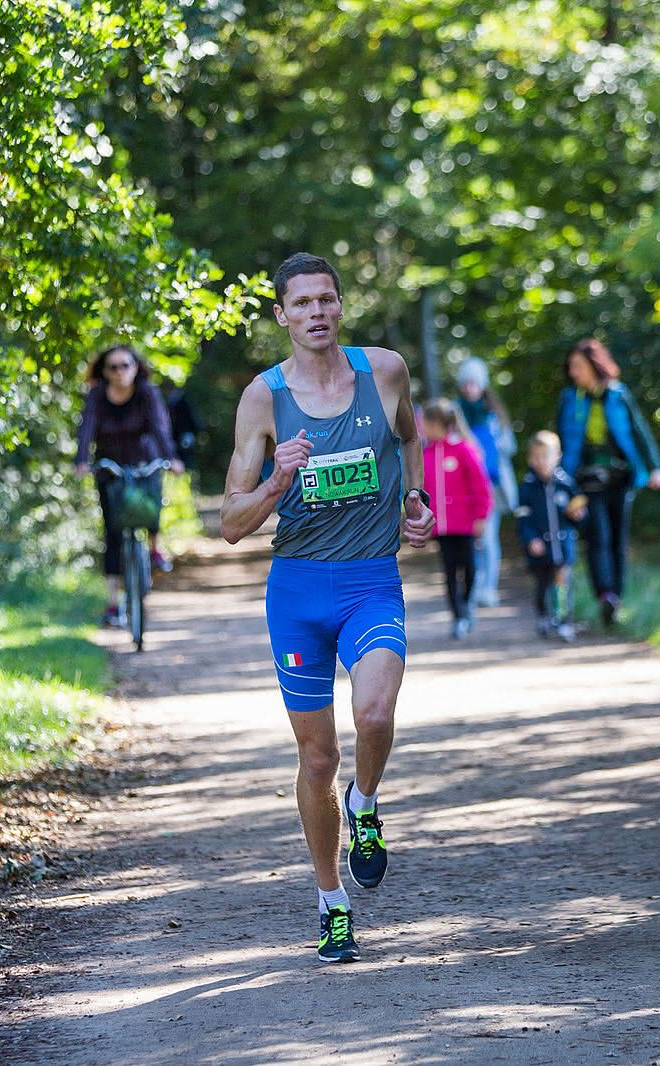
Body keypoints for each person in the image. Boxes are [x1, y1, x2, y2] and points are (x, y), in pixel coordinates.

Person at [220, 252, 434, 964]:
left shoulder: (386, 372)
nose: (316, 312)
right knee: (317, 757)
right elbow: (230, 521)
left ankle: (365, 804)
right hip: (298, 592)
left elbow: (409, 435)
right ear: (281, 316)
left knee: (373, 714)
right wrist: (279, 478)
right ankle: (331, 903)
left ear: (341, 307)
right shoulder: (263, 398)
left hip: (372, 580)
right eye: (301, 303)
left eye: (327, 300)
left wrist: (414, 496)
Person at [556, 337, 660, 629]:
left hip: (621, 478)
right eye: (571, 367)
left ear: (594, 366)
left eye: (578, 366)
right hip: (587, 481)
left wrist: (655, 468)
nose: (573, 373)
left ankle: (616, 598)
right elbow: (560, 440)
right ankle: (604, 593)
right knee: (598, 537)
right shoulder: (570, 399)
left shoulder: (618, 394)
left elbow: (639, 431)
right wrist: (561, 482)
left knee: (618, 540)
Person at [75, 344, 184, 627]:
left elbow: (160, 427)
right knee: (112, 531)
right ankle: (113, 604)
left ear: (136, 368)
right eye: (113, 367)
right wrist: (81, 461)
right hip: (109, 467)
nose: (120, 372)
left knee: (150, 501)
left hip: (143, 460)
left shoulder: (147, 393)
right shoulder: (97, 396)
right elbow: (86, 428)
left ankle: (155, 547)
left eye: (125, 366)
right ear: (105, 371)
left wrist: (171, 458)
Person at [420, 398, 492, 640]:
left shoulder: (463, 449)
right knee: (449, 571)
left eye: (426, 423)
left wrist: (481, 516)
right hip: (441, 527)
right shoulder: (426, 453)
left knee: (469, 568)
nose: (423, 428)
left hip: (465, 524)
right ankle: (458, 616)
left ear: (439, 423)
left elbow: (480, 485)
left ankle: (468, 604)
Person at [454, 358, 517, 609]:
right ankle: (474, 585)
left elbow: (510, 447)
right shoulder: (455, 413)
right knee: (472, 540)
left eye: (475, 384)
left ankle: (489, 588)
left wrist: (492, 445)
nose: (470, 389)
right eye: (466, 384)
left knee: (489, 539)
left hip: (492, 485)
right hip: (463, 488)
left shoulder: (494, 414)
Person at [514, 430, 584, 640]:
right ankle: (543, 615)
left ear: (558, 456)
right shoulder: (528, 487)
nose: (542, 462)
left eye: (546, 456)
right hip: (539, 548)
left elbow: (577, 512)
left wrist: (578, 515)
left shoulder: (566, 483)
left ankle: (563, 620)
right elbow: (522, 518)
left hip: (563, 546)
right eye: (536, 457)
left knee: (562, 582)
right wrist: (530, 539)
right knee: (542, 584)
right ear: (530, 459)